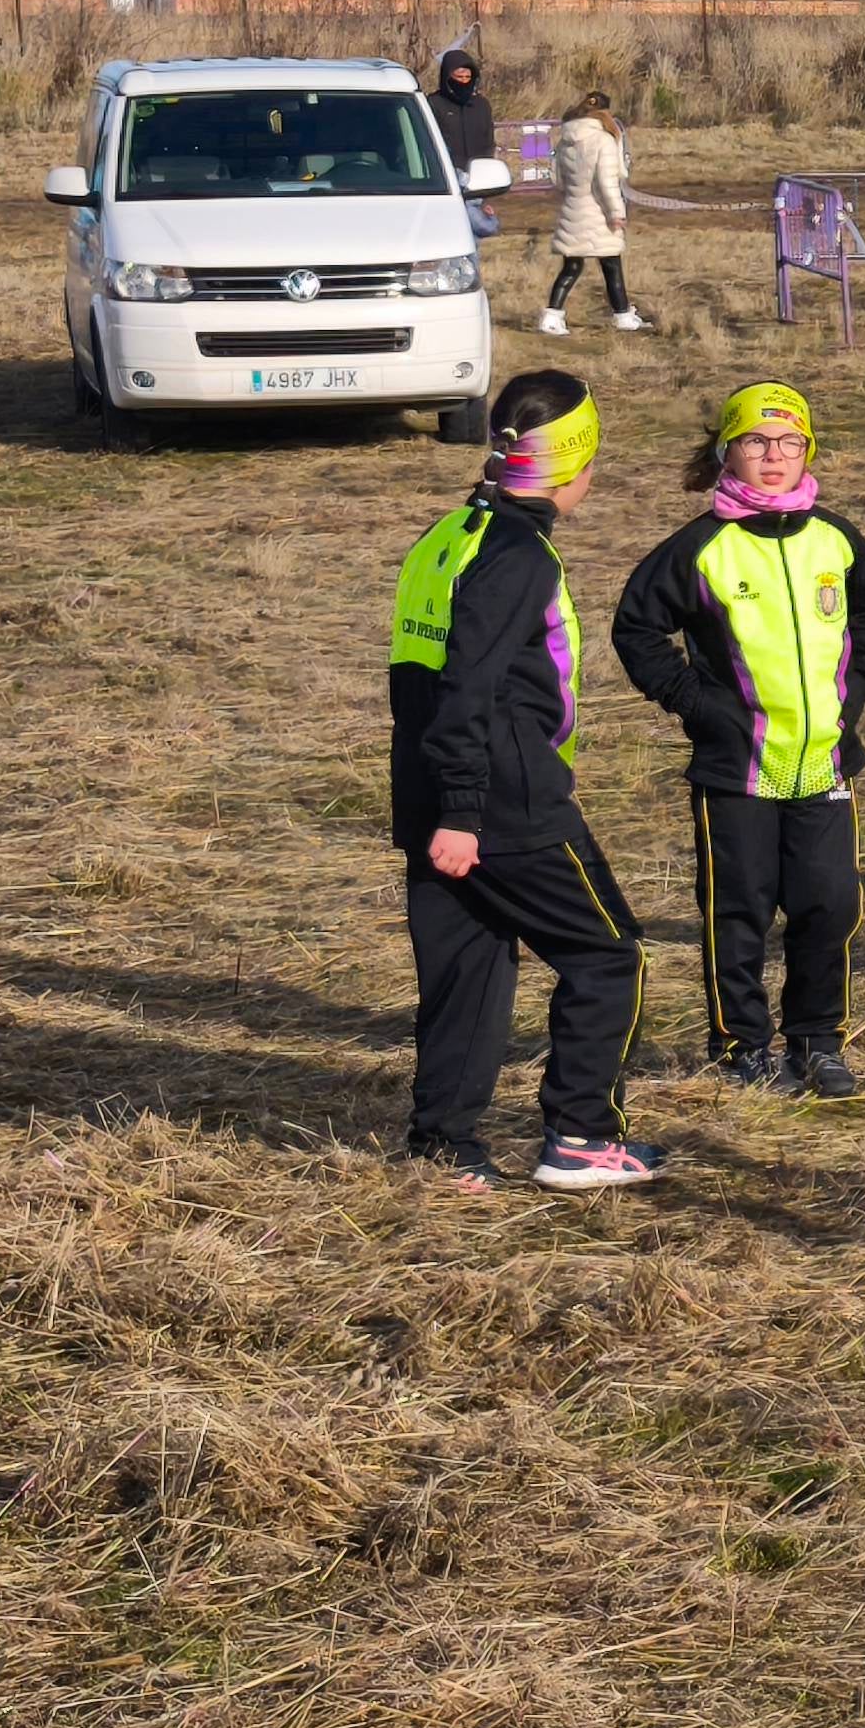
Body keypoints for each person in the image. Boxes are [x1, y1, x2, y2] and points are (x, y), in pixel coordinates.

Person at [389, 370, 661, 1193]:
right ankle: (582, 1136)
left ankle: (443, 1143)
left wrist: (441, 803)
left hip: (434, 792)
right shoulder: (517, 556)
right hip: (502, 804)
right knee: (607, 957)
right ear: (573, 465)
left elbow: (417, 679)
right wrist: (466, 810)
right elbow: (468, 686)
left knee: (468, 968)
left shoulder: (452, 533)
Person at [611, 380, 865, 1100]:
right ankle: (740, 1045)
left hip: (824, 764)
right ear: (726, 453)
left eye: (790, 441)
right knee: (739, 910)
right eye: (756, 442)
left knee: (829, 904)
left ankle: (818, 1042)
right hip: (735, 769)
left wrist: (856, 687)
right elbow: (636, 629)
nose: (774, 455)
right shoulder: (701, 547)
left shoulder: (836, 540)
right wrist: (695, 704)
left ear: (809, 450)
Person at [542, 90, 645, 336]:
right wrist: (616, 212)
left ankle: (552, 316)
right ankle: (622, 315)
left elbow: (557, 180)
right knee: (612, 266)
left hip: (573, 210)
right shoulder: (604, 141)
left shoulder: (565, 141)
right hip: (598, 214)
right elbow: (606, 182)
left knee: (571, 267)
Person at [431, 47, 499, 240]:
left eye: (467, 77)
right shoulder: (435, 104)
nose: (463, 82)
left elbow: (488, 143)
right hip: (448, 180)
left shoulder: (481, 106)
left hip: (477, 181)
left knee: (480, 230)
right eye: (458, 77)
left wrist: (487, 194)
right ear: (447, 77)